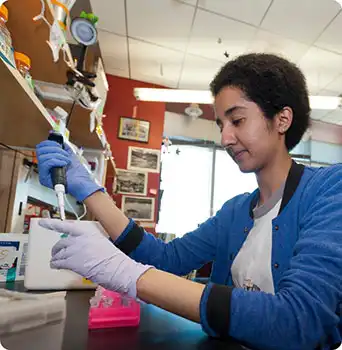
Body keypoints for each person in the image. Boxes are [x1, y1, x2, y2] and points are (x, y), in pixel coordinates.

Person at [36, 53, 342, 350]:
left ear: (282, 120)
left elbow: (302, 319)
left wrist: (126, 274)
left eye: (237, 120)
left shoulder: (329, 189)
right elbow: (167, 259)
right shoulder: (235, 212)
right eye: (221, 125)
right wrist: (90, 191)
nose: (225, 138)